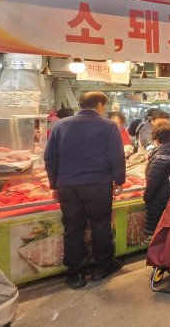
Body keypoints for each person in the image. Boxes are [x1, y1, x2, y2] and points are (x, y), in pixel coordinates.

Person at [44, 92, 125, 289]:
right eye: (103, 106)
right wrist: (119, 181)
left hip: (68, 185)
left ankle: (75, 274)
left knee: (73, 228)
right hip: (98, 183)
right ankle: (102, 267)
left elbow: (50, 157)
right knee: (100, 225)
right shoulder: (108, 126)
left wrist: (54, 183)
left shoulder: (61, 125)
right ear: (99, 105)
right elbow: (116, 156)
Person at [143, 125, 170, 242]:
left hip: (159, 200)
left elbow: (154, 181)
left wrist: (147, 196)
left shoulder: (161, 155)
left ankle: (159, 257)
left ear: (157, 139)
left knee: (157, 236)